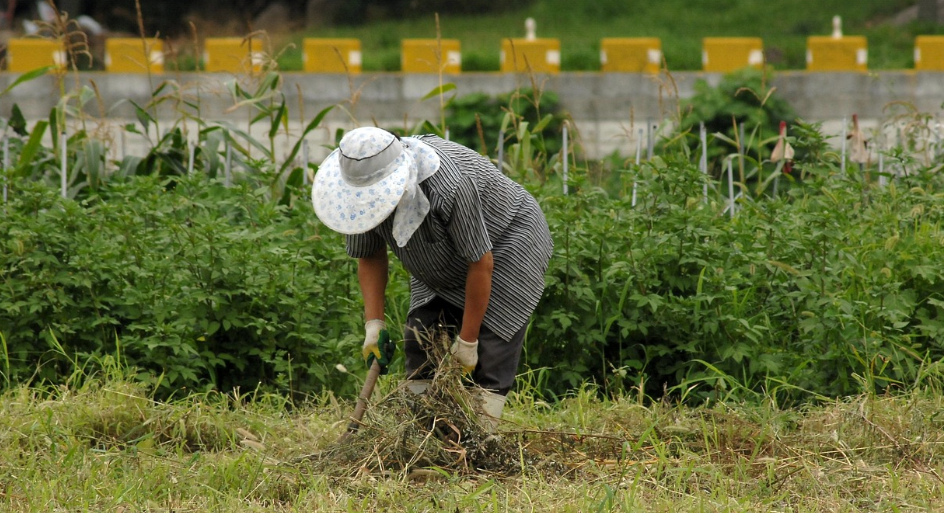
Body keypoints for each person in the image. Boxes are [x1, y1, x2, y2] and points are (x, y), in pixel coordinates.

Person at [311, 126, 553, 432]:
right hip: (438, 253)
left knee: (491, 352)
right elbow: (369, 255)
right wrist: (374, 325)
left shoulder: (448, 185)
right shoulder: (359, 196)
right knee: (420, 336)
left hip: (507, 241)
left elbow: (480, 263)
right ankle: (424, 434)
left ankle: (480, 444)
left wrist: (467, 342)